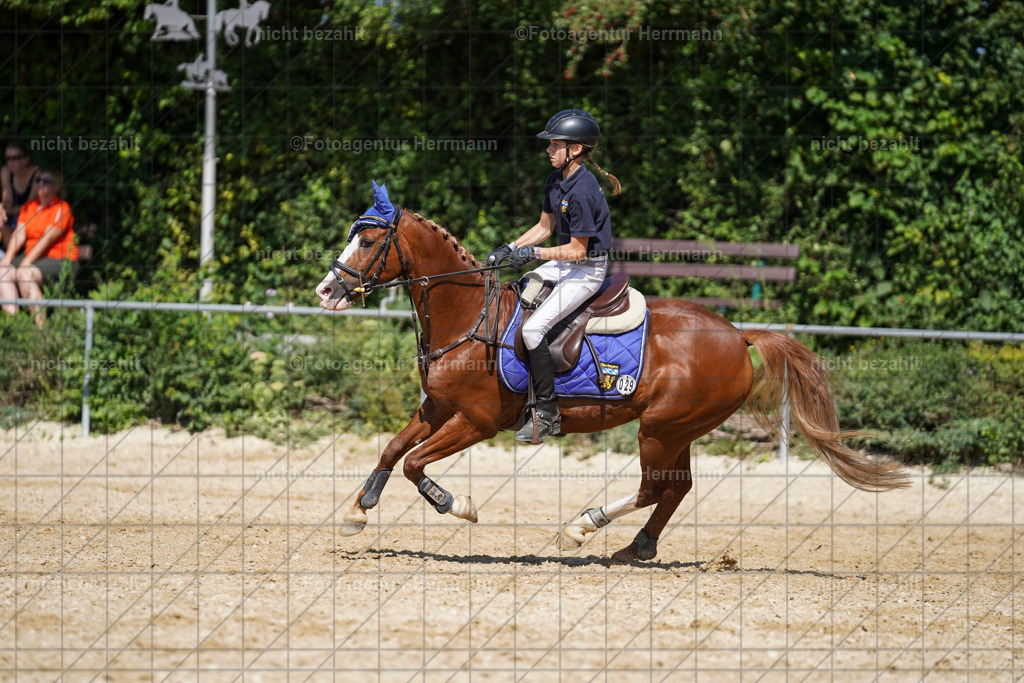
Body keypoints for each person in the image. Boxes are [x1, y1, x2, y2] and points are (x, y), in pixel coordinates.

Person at [487, 108, 622, 442]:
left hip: (587, 269)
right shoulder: (556, 179)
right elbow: (545, 227)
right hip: (565, 263)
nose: (548, 150)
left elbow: (578, 250)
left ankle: (547, 414)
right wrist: (510, 247)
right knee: (518, 292)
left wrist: (533, 254)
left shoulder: (583, 190)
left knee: (533, 330)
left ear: (574, 150)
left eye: (554, 145)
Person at [0, 169, 78, 325]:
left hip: (60, 259)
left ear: (56, 187)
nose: (41, 184)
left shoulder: (61, 208)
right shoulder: (30, 206)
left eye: (47, 181)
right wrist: (7, 259)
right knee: (2, 272)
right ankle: (14, 325)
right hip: (34, 258)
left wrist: (26, 262)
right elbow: (19, 233)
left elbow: (47, 239)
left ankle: (40, 332)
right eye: (38, 180)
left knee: (24, 274)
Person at [1, 141, 40, 250]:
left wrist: (7, 210)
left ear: (26, 159)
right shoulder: (6, 172)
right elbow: (7, 200)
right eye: (8, 158)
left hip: (31, 217)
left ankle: (10, 258)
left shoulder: (37, 174)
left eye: (15, 158)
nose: (11, 162)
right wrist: (4, 209)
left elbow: (29, 206)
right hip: (13, 217)